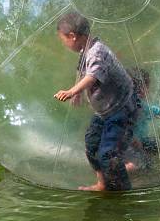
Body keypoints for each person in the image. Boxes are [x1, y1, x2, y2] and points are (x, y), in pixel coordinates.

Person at [54, 12, 136, 191]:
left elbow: (92, 76)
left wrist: (71, 91)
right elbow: (82, 72)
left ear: (73, 36)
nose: (64, 44)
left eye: (63, 40)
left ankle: (124, 191)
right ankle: (103, 184)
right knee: (92, 145)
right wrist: (77, 93)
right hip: (105, 111)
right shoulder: (86, 50)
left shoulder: (97, 51)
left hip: (122, 108)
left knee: (108, 153)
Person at [124, 68, 160, 173]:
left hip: (134, 142)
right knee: (144, 164)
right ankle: (116, 170)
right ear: (142, 89)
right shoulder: (138, 108)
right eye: (147, 87)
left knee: (157, 145)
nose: (148, 90)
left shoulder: (129, 105)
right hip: (130, 145)